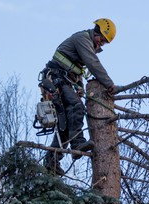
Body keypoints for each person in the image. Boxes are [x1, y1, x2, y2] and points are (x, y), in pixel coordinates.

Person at [42, 18, 118, 176]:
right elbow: (93, 63)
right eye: (101, 40)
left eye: (104, 43)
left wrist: (79, 88)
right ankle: (77, 144)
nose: (101, 44)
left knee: (66, 122)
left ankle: (52, 160)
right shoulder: (82, 39)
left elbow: (77, 72)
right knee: (76, 107)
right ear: (97, 32)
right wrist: (109, 84)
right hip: (56, 78)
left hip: (63, 80)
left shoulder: (86, 43)